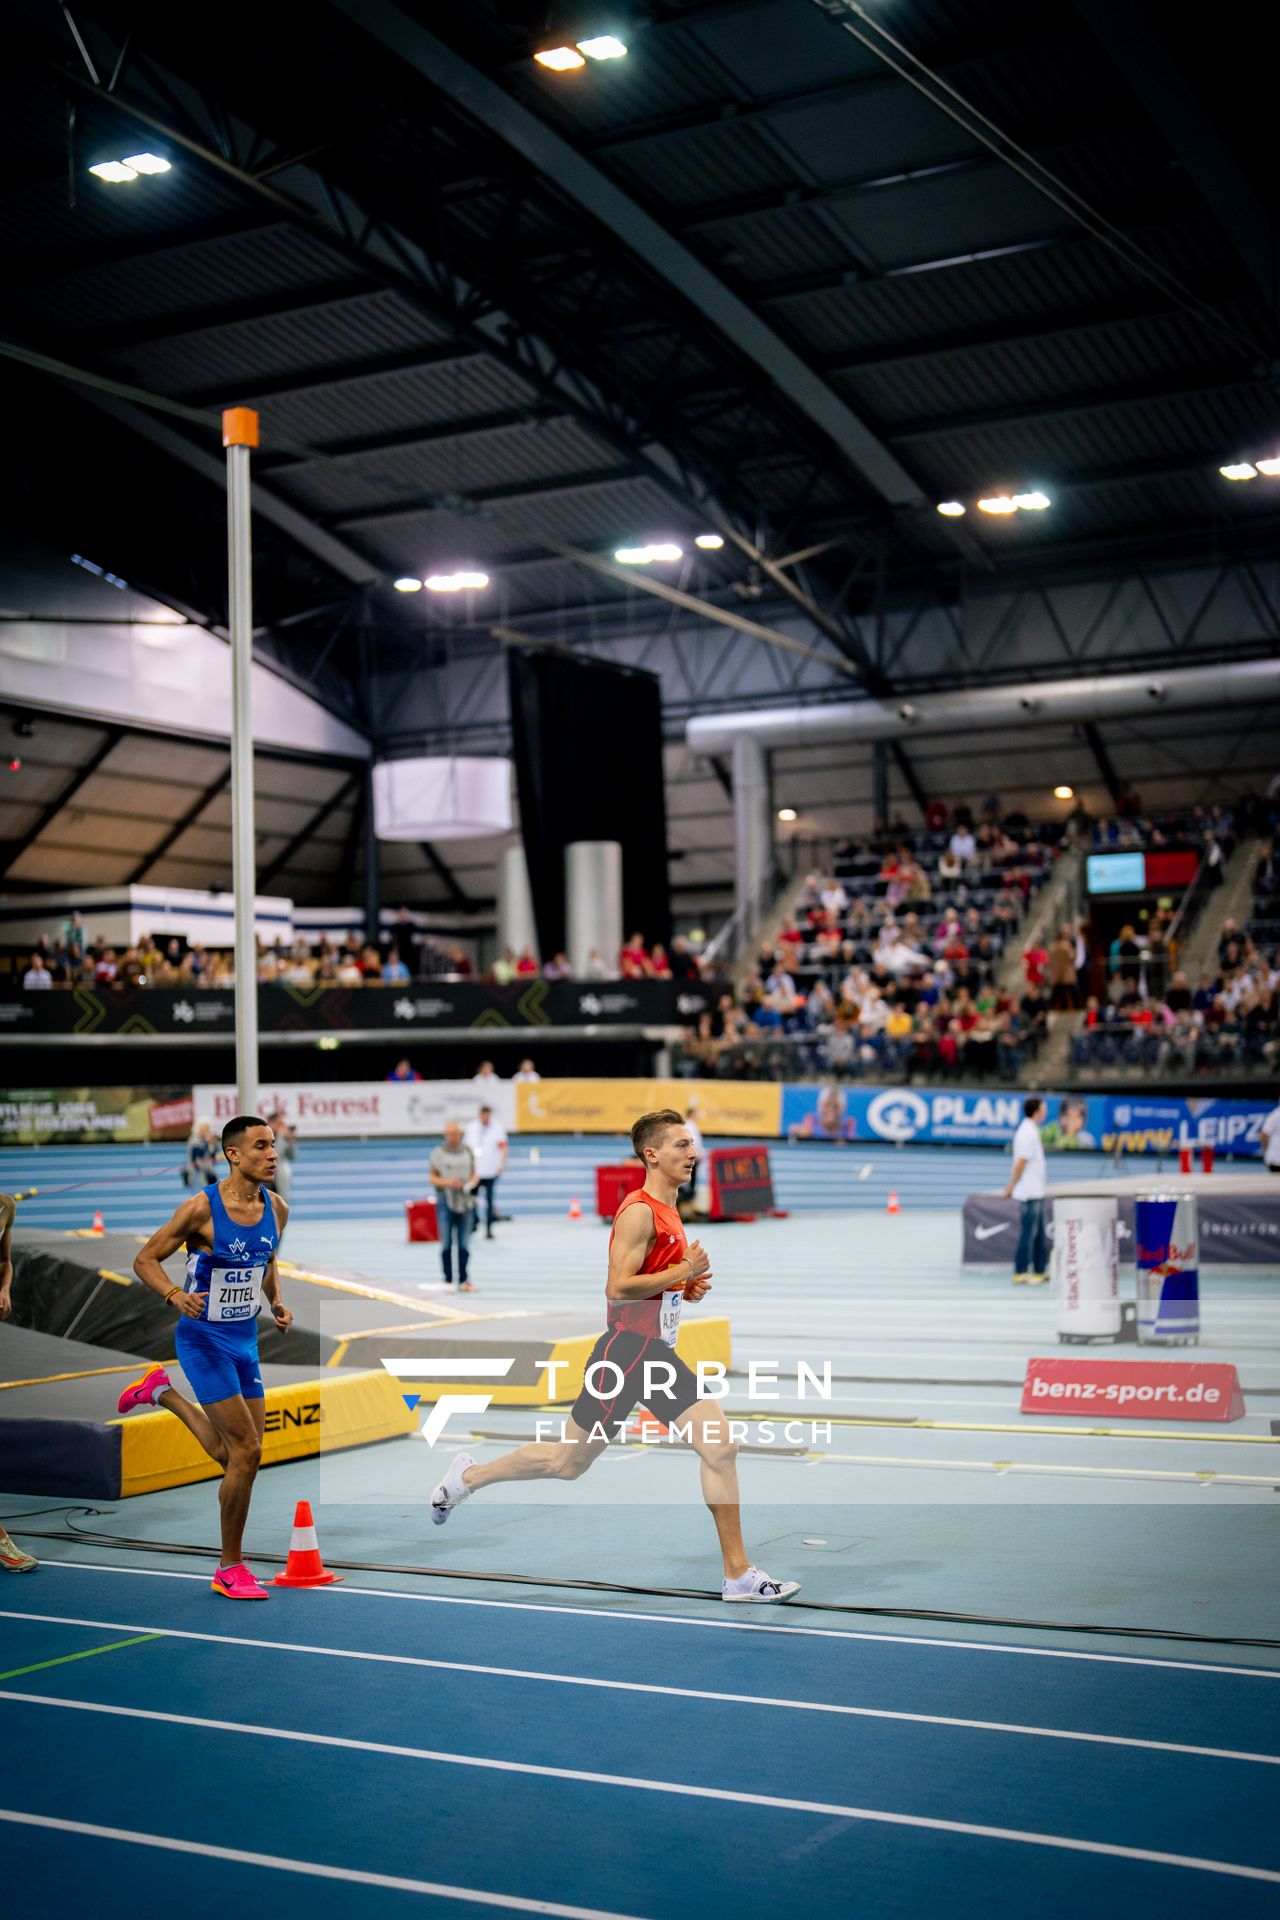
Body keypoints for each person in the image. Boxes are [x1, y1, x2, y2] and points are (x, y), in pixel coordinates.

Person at [429, 1109, 800, 1605]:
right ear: (652, 1154)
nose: (693, 1154)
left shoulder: (670, 1207)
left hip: (654, 1353)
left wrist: (681, 1287)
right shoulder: (639, 1210)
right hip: (627, 1354)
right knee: (567, 1463)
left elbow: (650, 1282)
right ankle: (467, 1478)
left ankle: (738, 1575)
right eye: (681, 1146)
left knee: (718, 1447)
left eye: (691, 1145)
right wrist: (684, 1268)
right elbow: (618, 1287)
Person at [116, 1117, 292, 1600]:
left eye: (274, 1145)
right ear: (234, 1155)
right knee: (247, 1452)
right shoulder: (201, 1208)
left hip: (244, 1340)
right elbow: (145, 1259)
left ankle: (162, 1392)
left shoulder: (276, 1207)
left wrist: (275, 1300)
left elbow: (268, 1258)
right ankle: (229, 1567)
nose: (273, 1154)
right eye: (261, 1146)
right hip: (203, 1340)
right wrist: (174, 1293)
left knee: (237, 1456)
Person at [1004, 1096, 1049, 1285]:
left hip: (1036, 1191)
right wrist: (1011, 1186)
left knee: (1038, 1234)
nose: (1046, 1112)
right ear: (1037, 1111)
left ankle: (1039, 1270)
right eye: (1044, 1108)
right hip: (1029, 1192)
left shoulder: (1031, 1130)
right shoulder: (1027, 1133)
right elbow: (1021, 1162)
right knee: (1028, 1234)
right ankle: (1021, 1270)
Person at [429, 1121, 478, 1288]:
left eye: (454, 1134)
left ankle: (464, 1279)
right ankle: (448, 1279)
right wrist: (449, 1182)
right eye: (448, 1134)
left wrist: (469, 1184)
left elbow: (474, 1174)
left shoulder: (468, 1151)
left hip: (465, 1202)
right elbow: (432, 1178)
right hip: (445, 1202)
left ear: (460, 1134)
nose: (451, 1137)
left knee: (464, 1243)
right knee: (446, 1243)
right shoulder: (438, 1153)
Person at [464, 1103, 508, 1240]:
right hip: (475, 1171)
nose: (485, 1118)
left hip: (490, 1170)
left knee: (489, 1200)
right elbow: (465, 1148)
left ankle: (489, 1228)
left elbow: (503, 1147)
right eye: (483, 1115)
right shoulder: (471, 1128)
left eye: (487, 1116)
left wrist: (502, 1163)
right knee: (471, 1199)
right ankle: (474, 1222)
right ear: (480, 1115)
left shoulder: (497, 1128)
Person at [185, 1118, 219, 1189]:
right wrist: (208, 1142)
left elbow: (212, 1155)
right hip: (197, 1172)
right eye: (205, 1128)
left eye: (208, 1128)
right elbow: (198, 1154)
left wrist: (213, 1144)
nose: (207, 1130)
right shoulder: (194, 1139)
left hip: (207, 1172)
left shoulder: (205, 1139)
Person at [1262, 1097, 1280, 1175]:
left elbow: (1263, 1135)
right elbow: (1264, 1135)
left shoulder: (1274, 1115)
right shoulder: (1275, 1115)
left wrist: (1266, 1151)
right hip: (1276, 1160)